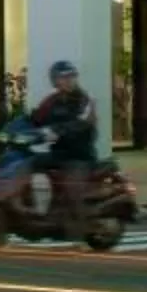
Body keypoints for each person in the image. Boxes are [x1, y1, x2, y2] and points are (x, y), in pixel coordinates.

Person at [29, 59, 103, 198]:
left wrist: (57, 130)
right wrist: (14, 129)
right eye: (63, 77)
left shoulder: (85, 100)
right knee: (23, 164)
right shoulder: (51, 101)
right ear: (54, 80)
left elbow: (82, 123)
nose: (69, 80)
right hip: (57, 153)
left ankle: (80, 218)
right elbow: (36, 118)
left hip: (79, 155)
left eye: (72, 76)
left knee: (72, 192)